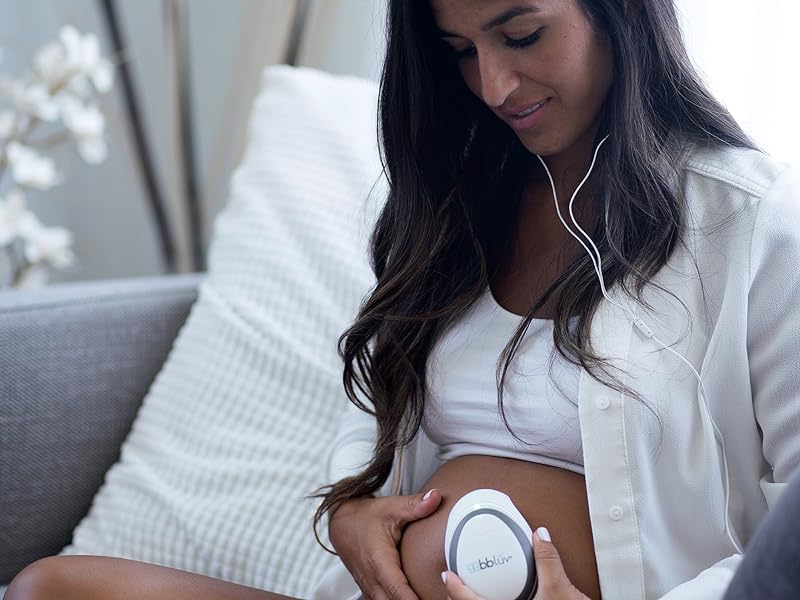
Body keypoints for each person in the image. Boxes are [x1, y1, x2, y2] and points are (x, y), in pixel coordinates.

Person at [6, 0, 799, 599]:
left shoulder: (753, 226)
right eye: (458, 51)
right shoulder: (459, 202)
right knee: (54, 588)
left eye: (521, 35)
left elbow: (789, 543)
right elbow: (378, 416)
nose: (494, 84)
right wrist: (351, 510)